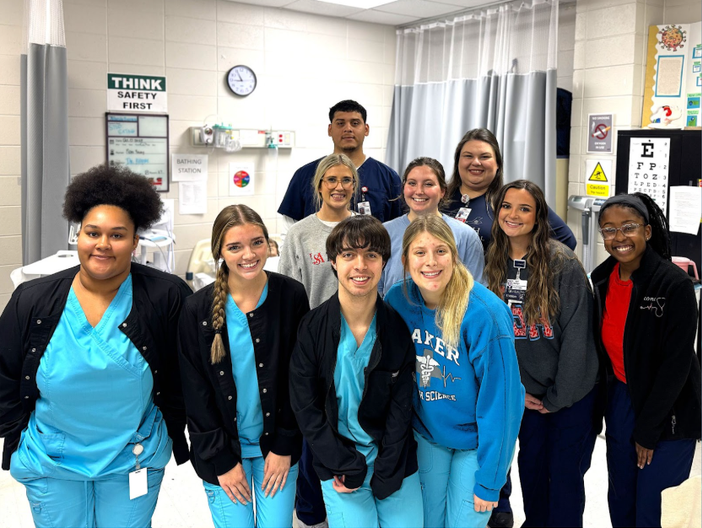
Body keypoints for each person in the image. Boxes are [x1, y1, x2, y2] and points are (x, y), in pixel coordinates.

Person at [0, 164, 191, 527]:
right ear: (77, 235)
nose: (103, 244)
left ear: (136, 241)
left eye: (118, 235)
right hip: (52, 459)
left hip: (133, 456)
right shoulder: (33, 300)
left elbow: (190, 373)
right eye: (93, 232)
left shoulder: (166, 297)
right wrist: (18, 434)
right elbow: (5, 374)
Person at [385, 214, 523, 528]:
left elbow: (502, 404)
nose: (430, 262)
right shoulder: (397, 300)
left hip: (475, 442)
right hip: (428, 434)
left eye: (440, 251)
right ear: (406, 260)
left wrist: (490, 480)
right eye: (420, 252)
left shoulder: (485, 313)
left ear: (455, 255)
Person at [178, 204, 309, 528]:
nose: (248, 254)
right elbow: (195, 393)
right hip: (223, 452)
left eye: (257, 242)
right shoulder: (197, 309)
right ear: (220, 252)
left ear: (269, 243)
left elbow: (300, 377)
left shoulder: (290, 295)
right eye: (234, 247)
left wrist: (284, 445)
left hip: (276, 448)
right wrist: (221, 459)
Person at [290, 215, 422, 528]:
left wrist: (387, 468)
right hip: (339, 462)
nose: (360, 265)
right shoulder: (313, 328)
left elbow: (402, 408)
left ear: (384, 262)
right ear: (334, 262)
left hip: (394, 460)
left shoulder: (395, 329)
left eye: (371, 255)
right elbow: (306, 408)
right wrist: (343, 464)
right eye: (349, 255)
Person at [485, 180, 599, 527]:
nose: (513, 215)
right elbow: (497, 337)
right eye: (507, 206)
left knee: (563, 481)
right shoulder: (492, 261)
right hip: (525, 396)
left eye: (524, 208)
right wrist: (519, 392)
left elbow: (578, 339)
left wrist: (556, 398)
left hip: (570, 396)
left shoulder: (561, 263)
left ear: (539, 217)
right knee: (531, 475)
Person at [591, 193, 700, 527]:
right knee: (621, 499)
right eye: (609, 230)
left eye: (629, 227)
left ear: (647, 231)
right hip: (622, 400)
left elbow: (675, 366)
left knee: (654, 508)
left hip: (668, 410)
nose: (619, 237)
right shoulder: (602, 279)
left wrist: (648, 431)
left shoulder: (673, 284)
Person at [443, 128, 575, 252]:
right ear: (458, 162)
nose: (476, 162)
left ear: (497, 164)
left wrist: (528, 266)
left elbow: (566, 239)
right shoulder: (439, 197)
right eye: (468, 156)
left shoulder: (511, 200)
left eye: (484, 157)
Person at [278, 100, 402, 229]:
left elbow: (397, 227)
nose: (348, 129)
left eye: (355, 123)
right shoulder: (305, 175)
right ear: (330, 129)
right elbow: (289, 228)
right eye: (340, 123)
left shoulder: (387, 177)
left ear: (366, 129)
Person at [379, 157, 484, 296]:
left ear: (442, 191)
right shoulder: (384, 233)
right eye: (412, 183)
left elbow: (475, 293)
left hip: (451, 317)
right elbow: (375, 289)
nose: (419, 191)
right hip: (393, 316)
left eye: (428, 184)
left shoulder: (466, 236)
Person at [279, 153, 357, 309]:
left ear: (353, 186)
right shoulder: (298, 235)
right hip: (313, 328)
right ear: (319, 186)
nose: (339, 187)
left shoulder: (368, 229)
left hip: (360, 327)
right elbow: (286, 293)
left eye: (346, 180)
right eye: (332, 180)